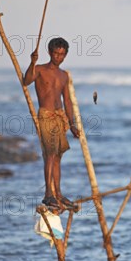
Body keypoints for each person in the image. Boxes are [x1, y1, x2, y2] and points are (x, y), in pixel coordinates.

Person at [23, 37, 80, 210]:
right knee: (50, 154)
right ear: (49, 53)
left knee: (58, 156)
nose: (59, 57)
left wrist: (72, 124)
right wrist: (32, 62)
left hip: (60, 117)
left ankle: (58, 194)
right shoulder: (40, 69)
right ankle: (48, 194)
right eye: (56, 53)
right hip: (46, 115)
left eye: (62, 54)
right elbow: (26, 81)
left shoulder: (64, 75)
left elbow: (68, 101)